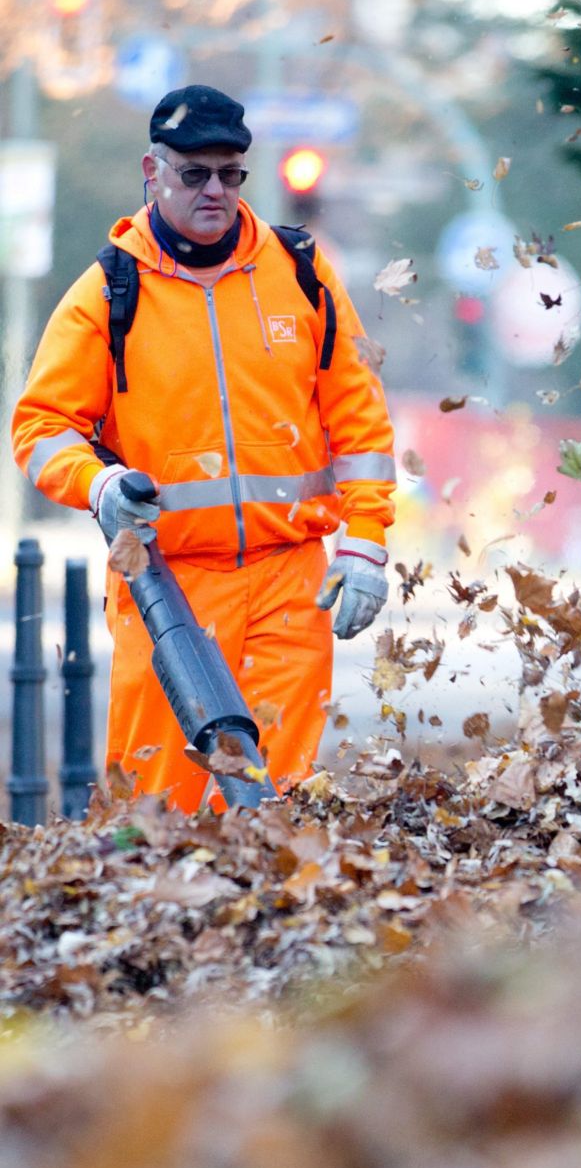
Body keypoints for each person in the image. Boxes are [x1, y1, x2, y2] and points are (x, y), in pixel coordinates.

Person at [12, 85, 395, 811]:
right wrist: (99, 486)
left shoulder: (303, 275)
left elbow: (360, 424)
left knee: (271, 807)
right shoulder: (107, 292)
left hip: (292, 587)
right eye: (195, 173)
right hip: (168, 590)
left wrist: (366, 543)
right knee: (160, 807)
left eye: (230, 173)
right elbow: (40, 428)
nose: (215, 189)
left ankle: (260, 929)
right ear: (152, 173)